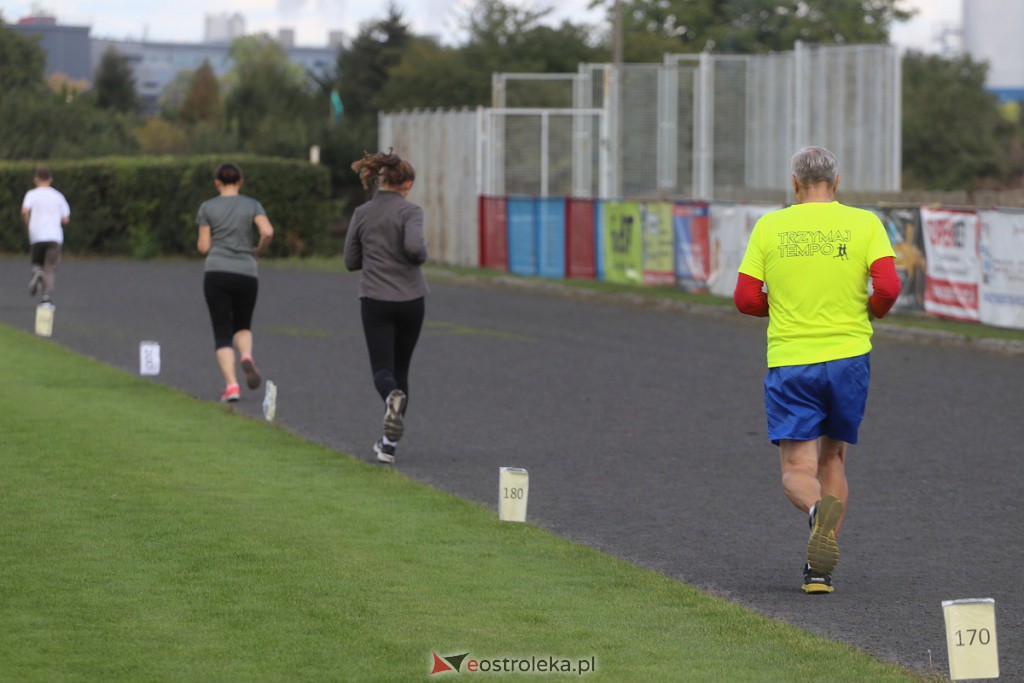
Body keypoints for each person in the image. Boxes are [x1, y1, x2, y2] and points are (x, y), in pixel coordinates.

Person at [734, 146, 901, 594]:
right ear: (837, 181)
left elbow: (747, 298)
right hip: (848, 358)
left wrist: (784, 307)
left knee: (796, 467)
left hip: (792, 358)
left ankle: (815, 515)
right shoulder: (865, 223)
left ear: (794, 183)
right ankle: (819, 570)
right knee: (833, 458)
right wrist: (871, 310)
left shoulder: (770, 226)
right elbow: (888, 286)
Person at [344, 150, 429, 464]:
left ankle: (390, 401)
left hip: (376, 299)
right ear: (406, 184)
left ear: (380, 180)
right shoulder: (411, 212)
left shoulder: (362, 213)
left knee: (383, 370)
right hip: (411, 299)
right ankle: (388, 445)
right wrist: (417, 258)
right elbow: (416, 248)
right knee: (401, 369)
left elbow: (350, 261)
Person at [196, 163, 274, 402]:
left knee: (222, 332)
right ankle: (247, 356)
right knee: (242, 325)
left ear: (217, 182)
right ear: (240, 182)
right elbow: (268, 232)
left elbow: (204, 247)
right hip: (246, 272)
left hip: (217, 271)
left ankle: (232, 387)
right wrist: (257, 251)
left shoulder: (207, 207)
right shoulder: (252, 205)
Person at [21, 167, 70, 304]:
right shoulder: (58, 196)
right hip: (54, 237)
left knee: (37, 262)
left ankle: (37, 271)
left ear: (36, 179)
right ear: (51, 179)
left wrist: (28, 226)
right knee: (50, 268)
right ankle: (46, 297)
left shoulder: (31, 194)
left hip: (36, 236)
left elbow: (25, 211)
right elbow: (65, 218)